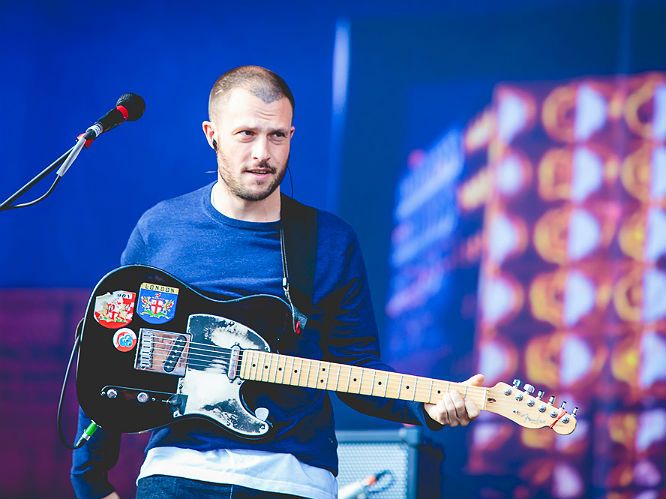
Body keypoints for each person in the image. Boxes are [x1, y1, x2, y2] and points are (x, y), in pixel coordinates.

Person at [71, 65, 484, 499]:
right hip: (178, 471)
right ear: (212, 134)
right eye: (246, 134)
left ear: (292, 135)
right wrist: (90, 480)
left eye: (277, 136)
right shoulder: (161, 229)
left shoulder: (329, 241)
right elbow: (110, 348)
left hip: (292, 478)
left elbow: (357, 369)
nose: (263, 153)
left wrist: (429, 406)